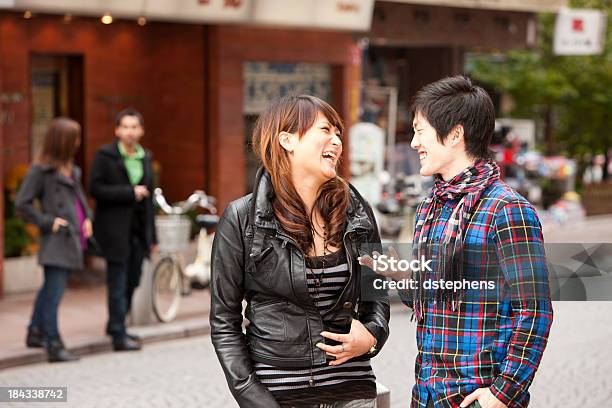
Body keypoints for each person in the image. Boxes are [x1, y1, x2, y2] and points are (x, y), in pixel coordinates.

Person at [210, 95, 390, 408]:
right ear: (287, 140)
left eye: (339, 133)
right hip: (281, 397)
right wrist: (255, 399)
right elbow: (224, 322)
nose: (336, 141)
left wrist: (373, 335)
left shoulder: (356, 209)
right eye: (325, 130)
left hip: (353, 392)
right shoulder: (242, 218)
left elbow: (377, 292)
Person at [16, 117, 92, 363]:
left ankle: (34, 332)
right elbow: (22, 204)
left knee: (50, 288)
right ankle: (54, 344)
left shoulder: (72, 169)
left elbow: (80, 199)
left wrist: (88, 218)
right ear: (64, 142)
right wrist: (48, 222)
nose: (78, 143)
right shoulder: (41, 171)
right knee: (54, 292)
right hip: (56, 239)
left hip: (72, 238)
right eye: (75, 139)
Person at [89, 108, 156, 352]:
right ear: (117, 130)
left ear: (141, 131)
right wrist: (129, 192)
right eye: (125, 127)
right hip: (114, 231)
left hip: (138, 231)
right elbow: (95, 189)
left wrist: (152, 236)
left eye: (134, 127)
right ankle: (118, 332)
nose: (129, 132)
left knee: (133, 279)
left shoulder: (145, 157)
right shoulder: (105, 156)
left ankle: (116, 324)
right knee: (117, 281)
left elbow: (148, 201)